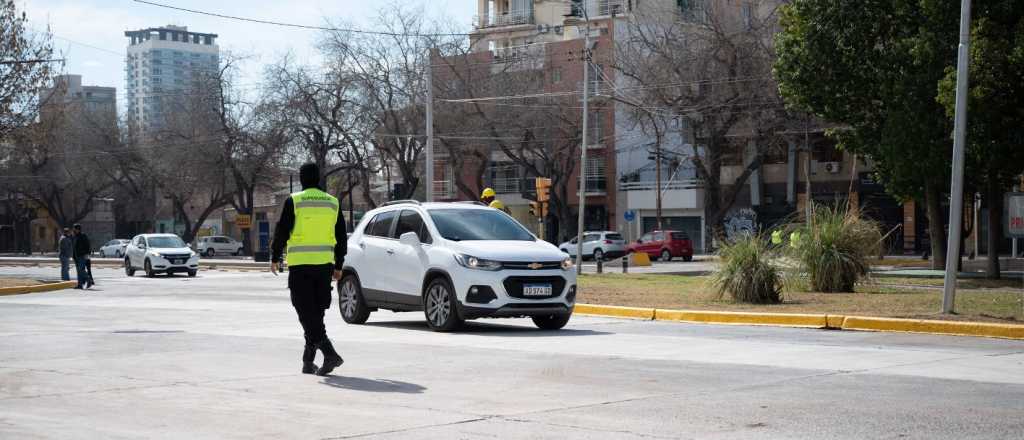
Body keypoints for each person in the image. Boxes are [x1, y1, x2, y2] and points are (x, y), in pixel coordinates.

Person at [271, 163, 346, 376]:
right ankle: (308, 360)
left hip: (301, 265)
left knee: (305, 313)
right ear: (319, 178)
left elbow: (282, 230)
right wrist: (339, 265)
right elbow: (341, 236)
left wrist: (275, 256)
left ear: (302, 179)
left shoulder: (294, 200)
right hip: (324, 266)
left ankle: (330, 353)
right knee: (316, 314)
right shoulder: (332, 202)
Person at [72, 224, 95, 289]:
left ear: (78, 229)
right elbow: (74, 247)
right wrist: (73, 256)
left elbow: (87, 245)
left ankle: (88, 280)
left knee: (81, 269)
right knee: (78, 271)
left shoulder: (83, 236)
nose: (74, 230)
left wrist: (87, 254)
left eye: (75, 229)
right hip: (76, 256)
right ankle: (80, 285)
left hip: (82, 255)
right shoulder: (75, 236)